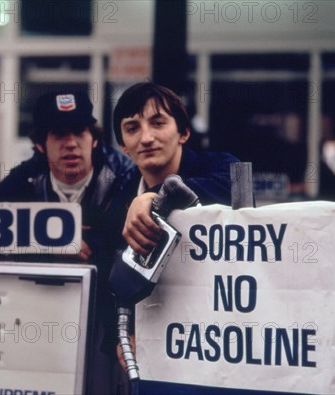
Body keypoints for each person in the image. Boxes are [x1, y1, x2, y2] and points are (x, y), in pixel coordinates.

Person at [0, 90, 135, 394]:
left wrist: (91, 238)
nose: (71, 143)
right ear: (41, 144)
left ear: (93, 138)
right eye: (59, 134)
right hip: (43, 316)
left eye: (79, 132)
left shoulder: (124, 176)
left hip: (109, 318)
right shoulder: (26, 178)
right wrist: (48, 237)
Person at [108, 82, 239, 390]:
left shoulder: (219, 166)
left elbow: (234, 189)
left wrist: (153, 198)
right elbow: (108, 277)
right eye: (132, 128)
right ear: (124, 145)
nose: (147, 137)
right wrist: (120, 336)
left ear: (183, 133)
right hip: (152, 339)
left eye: (158, 122)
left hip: (219, 338)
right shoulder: (119, 197)